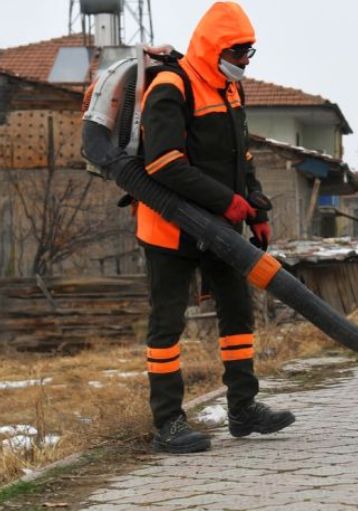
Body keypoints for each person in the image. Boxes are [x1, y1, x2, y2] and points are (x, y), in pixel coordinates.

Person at [138, 1, 293, 453]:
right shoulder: (172, 85)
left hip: (221, 229)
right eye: (239, 51)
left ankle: (243, 409)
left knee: (238, 314)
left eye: (249, 53)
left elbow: (240, 157)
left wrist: (257, 211)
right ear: (213, 46)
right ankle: (167, 423)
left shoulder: (229, 90)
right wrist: (228, 202)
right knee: (167, 324)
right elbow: (164, 163)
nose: (244, 60)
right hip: (170, 227)